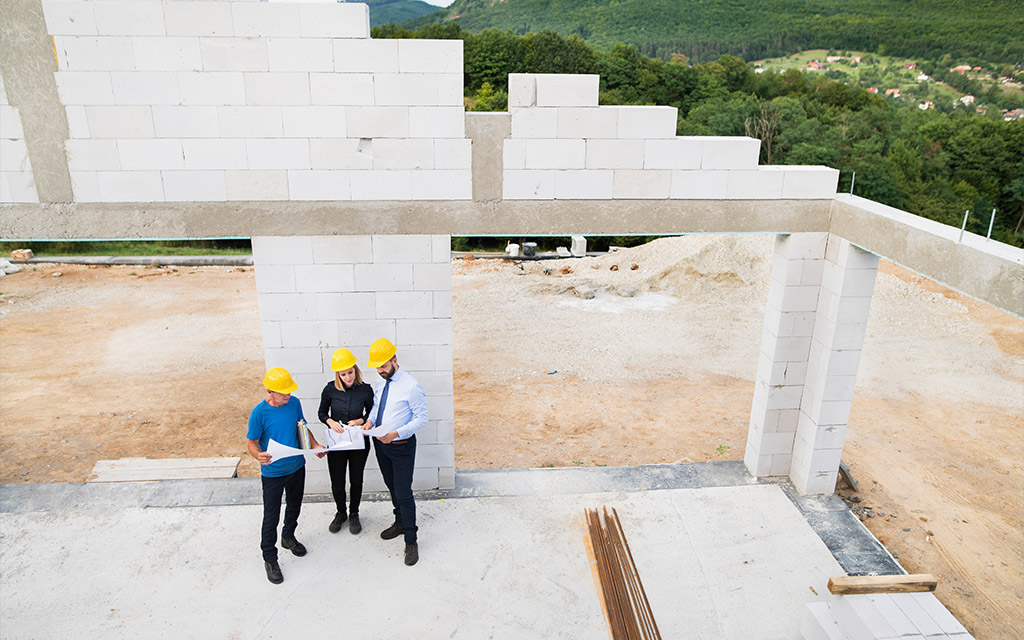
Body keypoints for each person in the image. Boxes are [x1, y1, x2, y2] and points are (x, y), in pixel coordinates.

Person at [246, 367, 324, 584]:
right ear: (270, 391)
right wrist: (257, 456)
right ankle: (270, 558)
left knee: (295, 506)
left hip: (297, 466)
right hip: (273, 473)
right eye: (283, 393)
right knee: (271, 516)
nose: (287, 396)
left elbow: (302, 426)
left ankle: (288, 537)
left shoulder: (294, 403)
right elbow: (251, 443)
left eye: (289, 392)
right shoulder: (259, 413)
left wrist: (315, 445)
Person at [363, 338, 428, 566]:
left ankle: (411, 540)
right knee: (391, 485)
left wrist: (396, 433)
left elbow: (422, 418)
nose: (380, 370)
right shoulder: (382, 382)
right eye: (377, 367)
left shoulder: (411, 386)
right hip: (381, 445)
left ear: (395, 360)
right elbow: (376, 408)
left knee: (403, 493)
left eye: (383, 366)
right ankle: (399, 522)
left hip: (401, 447)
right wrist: (370, 423)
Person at [318, 348, 374, 535]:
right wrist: (330, 421)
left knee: (356, 479)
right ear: (338, 374)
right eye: (344, 374)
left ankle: (354, 513)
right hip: (337, 442)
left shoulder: (365, 390)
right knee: (337, 480)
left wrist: (361, 421)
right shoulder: (330, 389)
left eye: (350, 372)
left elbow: (372, 414)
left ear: (355, 370)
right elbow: (322, 413)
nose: (348, 377)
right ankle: (340, 512)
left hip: (358, 442)